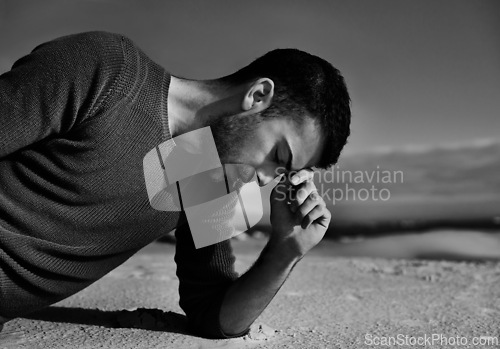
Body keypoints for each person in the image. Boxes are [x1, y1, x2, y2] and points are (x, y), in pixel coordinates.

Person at [0, 31, 351, 338]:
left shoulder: (209, 179)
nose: (263, 178)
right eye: (277, 155)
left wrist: (285, 250)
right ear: (258, 95)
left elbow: (215, 318)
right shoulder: (110, 71)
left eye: (281, 173)